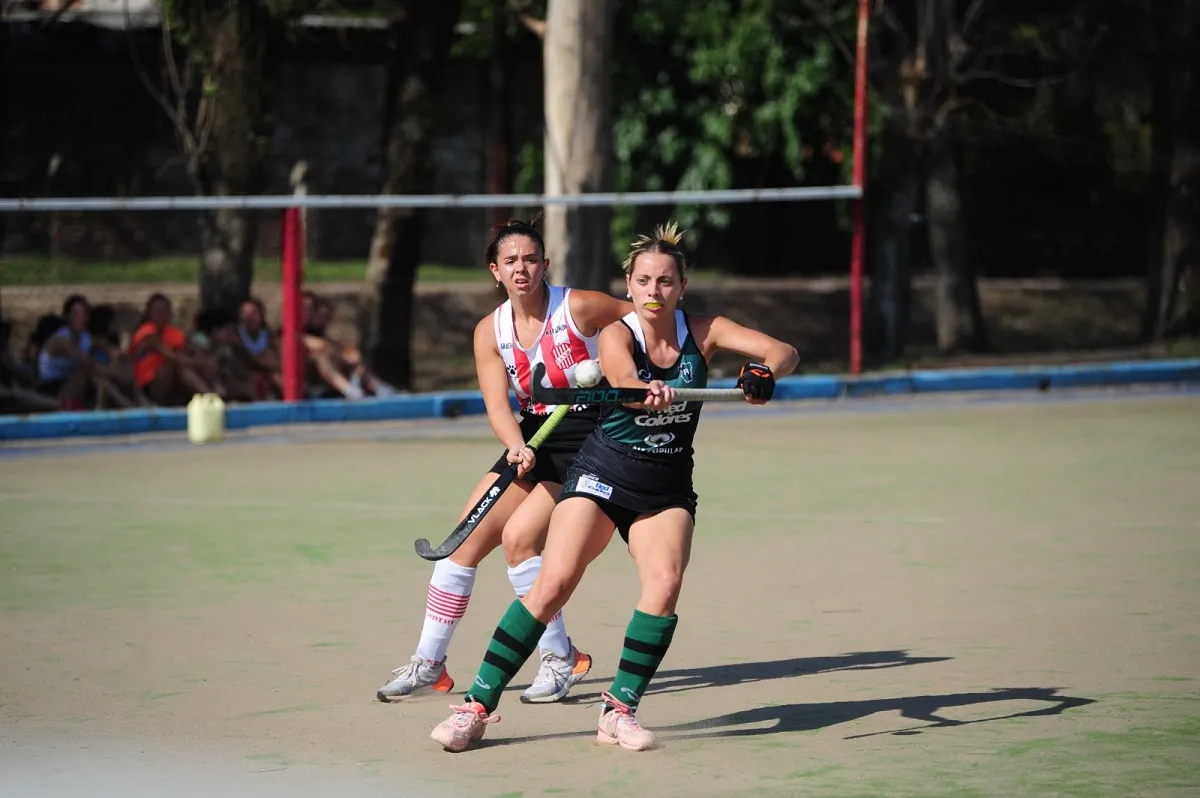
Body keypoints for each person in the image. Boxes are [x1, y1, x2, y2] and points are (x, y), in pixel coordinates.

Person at [429, 222, 799, 753]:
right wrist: (641, 391)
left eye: (665, 282)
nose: (654, 291)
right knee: (553, 582)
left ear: (682, 287)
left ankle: (618, 710)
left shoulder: (707, 330)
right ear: (629, 284)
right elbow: (623, 379)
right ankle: (476, 707)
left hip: (666, 485)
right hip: (603, 474)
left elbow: (783, 349)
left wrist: (766, 372)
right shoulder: (616, 332)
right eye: (644, 280)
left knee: (664, 586)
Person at [376, 216, 632, 705]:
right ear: (495, 271)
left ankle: (561, 660)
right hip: (534, 435)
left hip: (589, 437)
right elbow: (498, 404)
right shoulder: (489, 331)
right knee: (462, 542)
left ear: (545, 265)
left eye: (531, 259)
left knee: (519, 540)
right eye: (510, 261)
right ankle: (431, 662)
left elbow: (642, 319)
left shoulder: (579, 307)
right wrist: (516, 444)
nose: (522, 269)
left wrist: (620, 367)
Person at [37, 294, 135, 409]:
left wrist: (117, 359)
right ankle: (127, 405)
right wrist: (115, 373)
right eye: (76, 315)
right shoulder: (61, 341)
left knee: (111, 369)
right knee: (89, 371)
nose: (81, 319)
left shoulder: (87, 337)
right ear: (67, 317)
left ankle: (136, 401)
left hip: (75, 384)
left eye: (84, 315)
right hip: (53, 387)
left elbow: (109, 348)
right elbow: (86, 362)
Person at [128, 293, 217, 406]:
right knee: (177, 364)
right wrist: (198, 362)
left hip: (171, 384)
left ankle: (212, 395)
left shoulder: (173, 333)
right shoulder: (147, 334)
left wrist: (203, 358)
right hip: (148, 386)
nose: (162, 315)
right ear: (149, 314)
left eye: (165, 311)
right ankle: (210, 397)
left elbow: (188, 348)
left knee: (195, 361)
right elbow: (172, 357)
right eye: (158, 312)